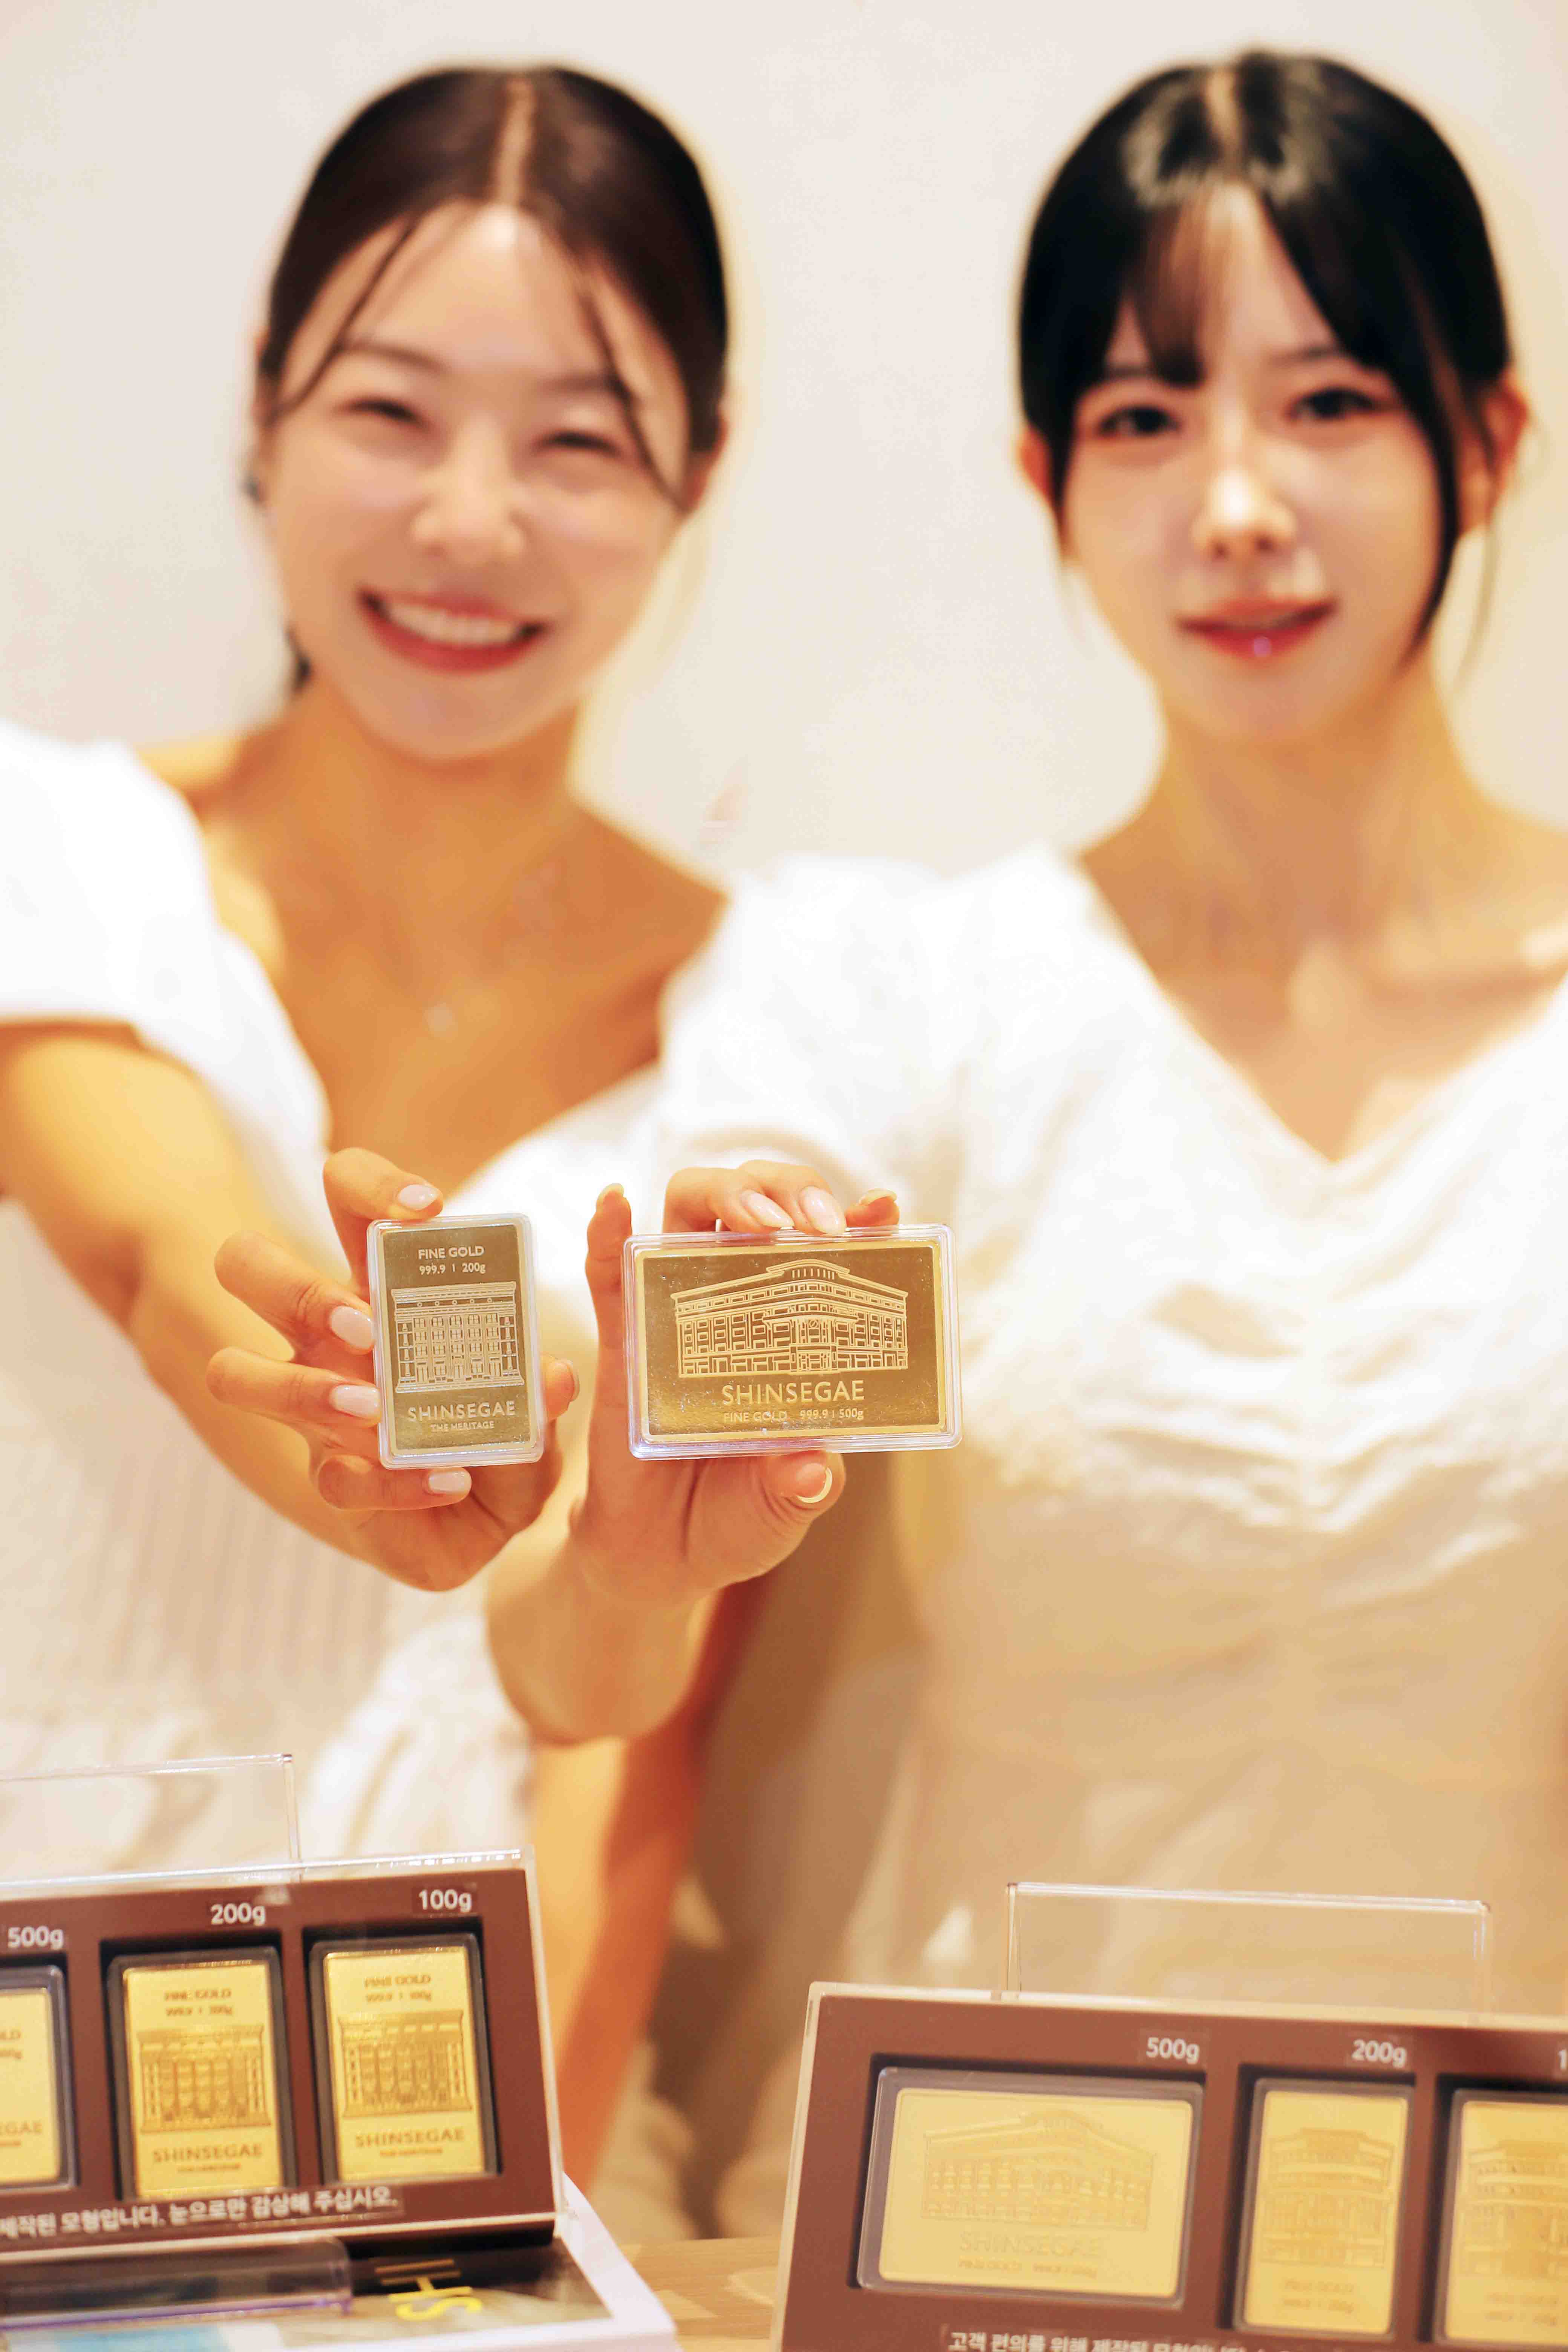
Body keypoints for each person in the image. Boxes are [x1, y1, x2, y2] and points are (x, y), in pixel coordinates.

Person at [214, 44, 1568, 2233]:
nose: (1236, 505)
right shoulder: (888, 986)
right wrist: (601, 1506)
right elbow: (594, 1609)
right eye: (1144, 417)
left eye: (1328, 402)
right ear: (1046, 474)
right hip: (988, 2223)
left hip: (1494, 2236)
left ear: (1485, 439)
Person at [0, 63, 825, 1895]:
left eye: (575, 443)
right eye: (390, 411)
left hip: (434, 2015)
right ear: (265, 402)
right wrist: (365, 1437)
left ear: (697, 470)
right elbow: (159, 1253)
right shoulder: (45, 842)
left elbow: (587, 1688)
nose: (467, 521)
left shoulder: (770, 1001)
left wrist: (628, 1567)